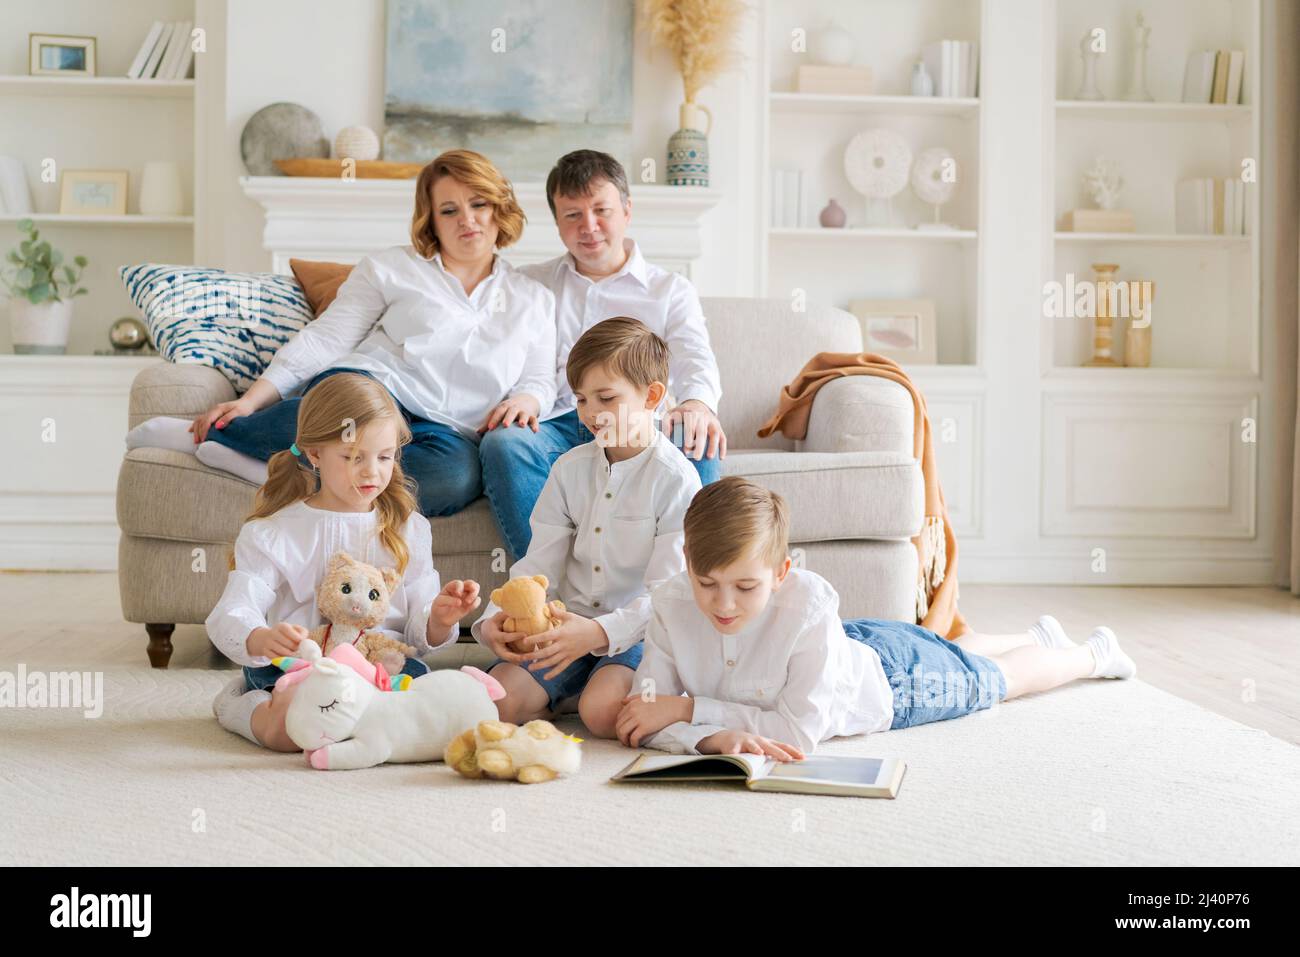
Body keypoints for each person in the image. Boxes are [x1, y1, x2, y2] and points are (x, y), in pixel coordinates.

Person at [125, 149, 556, 519]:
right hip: (373, 390)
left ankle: (285, 475)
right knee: (352, 423)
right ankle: (208, 435)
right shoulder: (392, 268)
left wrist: (527, 400)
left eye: (479, 204)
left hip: (449, 430)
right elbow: (327, 338)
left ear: (500, 210)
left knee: (455, 478)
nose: (468, 220)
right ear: (431, 221)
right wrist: (251, 400)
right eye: (449, 210)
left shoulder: (534, 297)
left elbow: (539, 378)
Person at [616, 477, 1138, 759]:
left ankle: (1090, 654)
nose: (722, 605)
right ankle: (1034, 635)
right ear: (688, 566)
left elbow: (796, 734)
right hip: (848, 646)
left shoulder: (808, 607)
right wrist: (711, 737)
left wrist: (690, 715)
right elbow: (642, 715)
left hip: (890, 682)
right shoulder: (671, 602)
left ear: (781, 573)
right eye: (707, 584)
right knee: (956, 650)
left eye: (745, 588)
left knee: (999, 681)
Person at [207, 373, 481, 750]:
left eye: (384, 457)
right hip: (300, 667)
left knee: (433, 715)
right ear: (315, 454)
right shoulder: (273, 532)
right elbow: (233, 610)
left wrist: (440, 618)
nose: (372, 471)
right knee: (295, 731)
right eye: (353, 457)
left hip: (380, 667)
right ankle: (241, 706)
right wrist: (262, 637)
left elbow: (419, 636)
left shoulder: (408, 528)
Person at [480, 149, 724, 560]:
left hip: (642, 427)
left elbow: (694, 356)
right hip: (556, 425)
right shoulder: (529, 284)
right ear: (557, 223)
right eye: (572, 215)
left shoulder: (669, 289)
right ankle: (544, 592)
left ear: (627, 210)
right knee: (505, 444)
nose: (588, 227)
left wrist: (699, 402)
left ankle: (694, 586)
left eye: (601, 210)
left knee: (696, 435)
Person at [471, 318, 701, 738]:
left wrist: (598, 633)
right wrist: (492, 623)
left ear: (651, 396)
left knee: (606, 715)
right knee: (494, 701)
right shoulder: (569, 469)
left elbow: (668, 593)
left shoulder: (676, 479)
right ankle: (568, 686)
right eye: (581, 400)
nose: (591, 413)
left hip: (638, 633)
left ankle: (584, 691)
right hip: (565, 626)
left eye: (606, 398)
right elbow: (537, 566)